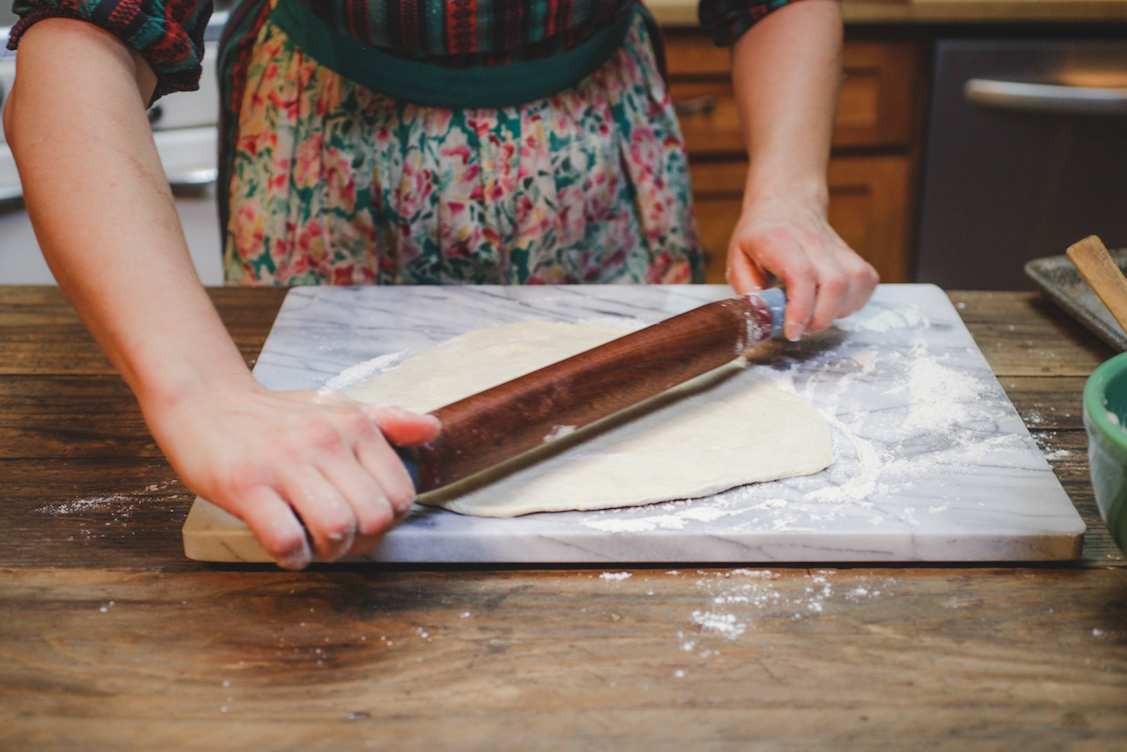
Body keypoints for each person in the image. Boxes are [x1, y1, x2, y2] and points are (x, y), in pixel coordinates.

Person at [6, 0, 877, 568]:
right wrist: (198, 391)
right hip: (328, 147)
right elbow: (84, 36)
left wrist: (789, 194)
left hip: (589, 146)